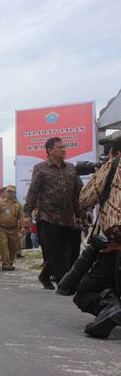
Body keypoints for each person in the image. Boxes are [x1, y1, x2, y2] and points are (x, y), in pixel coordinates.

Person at [74, 136, 121, 338]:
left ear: (114, 152)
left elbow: (85, 199)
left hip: (117, 244)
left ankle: (110, 308)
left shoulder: (114, 165)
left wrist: (100, 174)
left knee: (84, 292)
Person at [24, 137, 83, 289]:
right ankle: (64, 283)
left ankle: (44, 275)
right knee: (55, 250)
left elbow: (77, 193)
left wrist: (80, 214)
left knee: (63, 249)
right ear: (50, 150)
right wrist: (27, 213)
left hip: (66, 217)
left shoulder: (71, 168)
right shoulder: (41, 168)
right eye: (60, 147)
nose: (64, 149)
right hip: (47, 216)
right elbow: (33, 191)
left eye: (64, 147)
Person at [0, 185, 24, 271]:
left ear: (15, 193)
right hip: (2, 228)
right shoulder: (0, 203)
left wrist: (23, 227)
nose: (10, 193)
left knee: (13, 247)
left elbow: (21, 216)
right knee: (4, 246)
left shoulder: (18, 205)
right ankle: (5, 264)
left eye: (12, 192)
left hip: (14, 229)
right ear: (5, 193)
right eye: (8, 191)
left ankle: (10, 263)